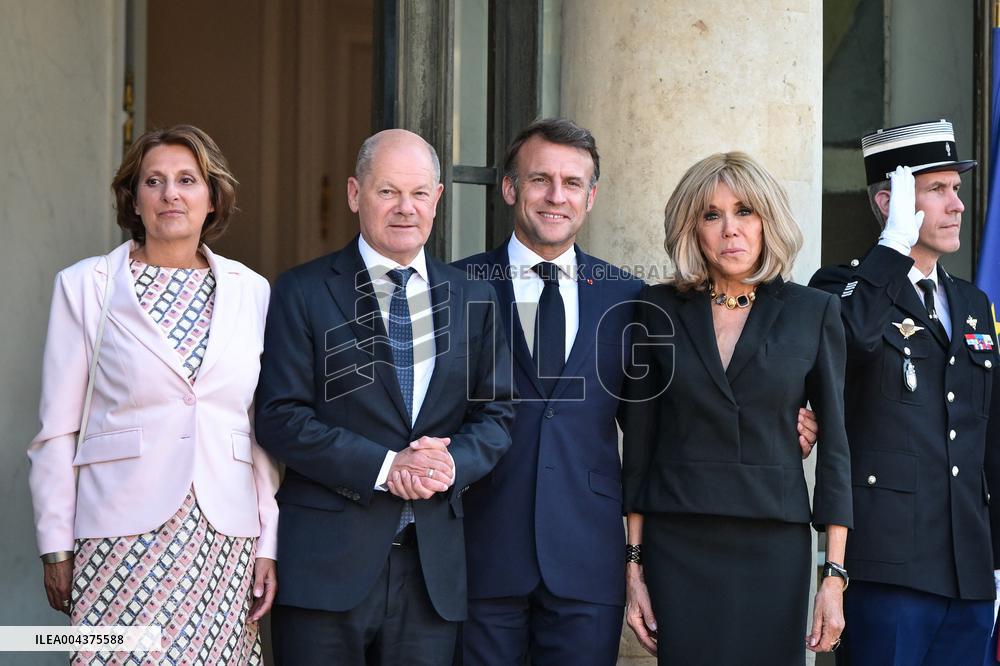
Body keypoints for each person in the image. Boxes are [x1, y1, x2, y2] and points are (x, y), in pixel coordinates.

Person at [254, 128, 516, 665]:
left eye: (419, 193)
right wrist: (385, 465)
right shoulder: (302, 291)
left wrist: (447, 464)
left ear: (438, 199)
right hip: (326, 570)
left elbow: (497, 413)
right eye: (387, 191)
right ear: (355, 194)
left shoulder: (474, 297)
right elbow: (280, 417)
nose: (405, 208)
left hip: (431, 575)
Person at [27, 124, 279, 664]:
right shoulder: (85, 286)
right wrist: (56, 544)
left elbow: (259, 429)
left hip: (222, 540)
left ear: (212, 198)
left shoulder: (252, 292)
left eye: (188, 180)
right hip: (117, 537)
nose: (171, 194)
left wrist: (268, 542)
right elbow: (57, 429)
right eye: (154, 181)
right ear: (133, 199)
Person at [622, 151, 853, 664]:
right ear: (692, 228)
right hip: (678, 542)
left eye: (745, 211)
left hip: (774, 542)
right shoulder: (654, 309)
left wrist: (833, 577)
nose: (730, 230)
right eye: (712, 215)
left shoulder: (813, 312)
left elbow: (836, 449)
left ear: (768, 220)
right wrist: (633, 568)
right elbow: (638, 446)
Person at [809, 119, 1000, 666]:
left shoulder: (973, 303)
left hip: (968, 569)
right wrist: (891, 249)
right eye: (937, 189)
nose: (956, 204)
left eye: (956, 189)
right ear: (889, 203)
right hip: (889, 568)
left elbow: (988, 437)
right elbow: (846, 345)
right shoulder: (839, 288)